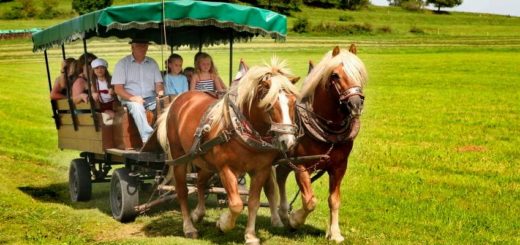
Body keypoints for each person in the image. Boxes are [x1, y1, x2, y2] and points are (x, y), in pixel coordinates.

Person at [112, 38, 164, 143]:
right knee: (137, 106)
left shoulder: (152, 63)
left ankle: (165, 136)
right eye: (140, 45)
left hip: (150, 98)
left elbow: (158, 84)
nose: (143, 48)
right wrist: (133, 98)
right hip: (129, 98)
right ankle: (148, 139)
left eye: (145, 45)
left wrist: (160, 94)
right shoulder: (122, 64)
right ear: (132, 47)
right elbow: (117, 89)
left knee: (165, 105)